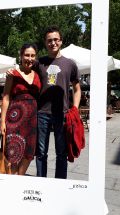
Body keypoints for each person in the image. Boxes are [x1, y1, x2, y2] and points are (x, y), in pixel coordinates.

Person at [35, 26, 81, 179]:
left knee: (62, 153)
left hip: (62, 113)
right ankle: (42, 183)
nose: (53, 43)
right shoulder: (39, 62)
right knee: (41, 153)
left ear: (61, 41)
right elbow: (25, 73)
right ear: (45, 42)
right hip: (42, 113)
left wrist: (75, 108)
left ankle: (60, 184)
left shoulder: (70, 64)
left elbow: (77, 88)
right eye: (49, 40)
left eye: (55, 39)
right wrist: (12, 72)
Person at [0, 43, 41, 175]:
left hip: (32, 120)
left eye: (32, 55)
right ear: (21, 56)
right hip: (15, 118)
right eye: (27, 55)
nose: (29, 58)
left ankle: (20, 177)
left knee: (29, 151)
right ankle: (13, 181)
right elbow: (6, 97)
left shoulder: (38, 74)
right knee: (13, 151)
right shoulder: (13, 74)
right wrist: (2, 122)